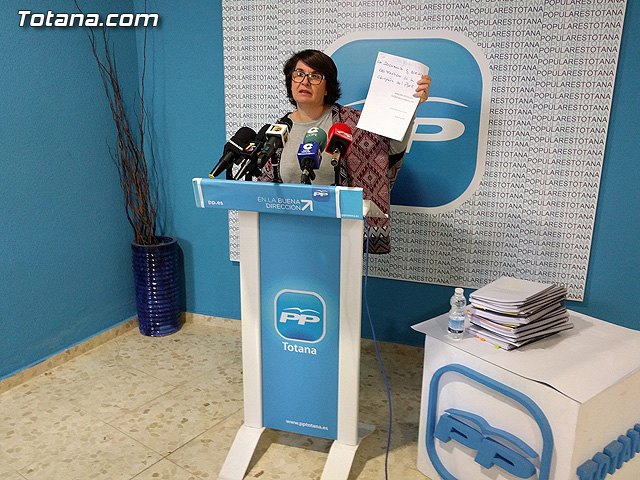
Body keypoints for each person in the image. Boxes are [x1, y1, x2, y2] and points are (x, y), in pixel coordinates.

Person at [259, 49, 431, 254]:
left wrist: (409, 107)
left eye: (315, 76)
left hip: (341, 239)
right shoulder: (277, 131)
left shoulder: (353, 123)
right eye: (299, 74)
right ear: (290, 81)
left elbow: (390, 149)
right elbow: (264, 186)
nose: (305, 81)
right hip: (289, 237)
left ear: (327, 87)